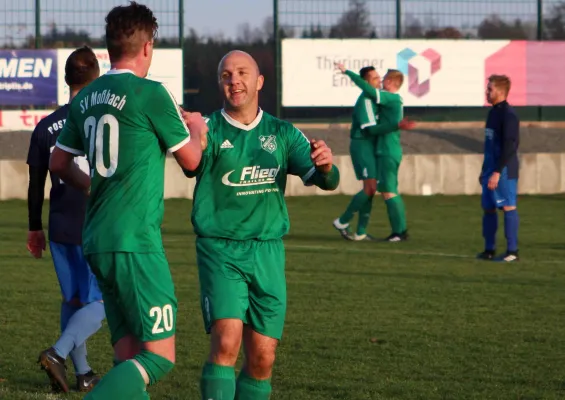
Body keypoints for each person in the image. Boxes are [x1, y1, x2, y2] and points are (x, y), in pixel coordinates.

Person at [49, 2, 207, 399]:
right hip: (135, 241)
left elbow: (58, 161)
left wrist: (91, 185)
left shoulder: (88, 96)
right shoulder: (151, 93)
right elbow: (192, 163)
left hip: (97, 238)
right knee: (160, 357)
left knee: (128, 355)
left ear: (109, 48)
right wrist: (199, 129)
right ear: (147, 46)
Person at [183, 50, 340, 400]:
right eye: (226, 75)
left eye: (241, 73)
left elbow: (326, 180)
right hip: (220, 248)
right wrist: (193, 136)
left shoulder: (282, 132)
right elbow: (190, 165)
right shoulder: (208, 129)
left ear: (259, 81)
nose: (234, 80)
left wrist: (327, 165)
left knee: (263, 358)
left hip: (268, 252)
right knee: (226, 341)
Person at [27, 46, 105, 394]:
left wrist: (34, 228)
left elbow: (34, 184)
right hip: (96, 223)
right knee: (104, 302)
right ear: (96, 79)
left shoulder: (45, 127)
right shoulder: (102, 122)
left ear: (66, 79)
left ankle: (82, 373)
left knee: (72, 301)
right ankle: (58, 354)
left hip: (59, 224)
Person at [336, 63, 414, 241]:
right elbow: (370, 129)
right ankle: (356, 228)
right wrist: (347, 72)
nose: (380, 81)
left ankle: (396, 232)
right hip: (365, 146)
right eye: (376, 78)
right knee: (374, 189)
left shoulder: (388, 98)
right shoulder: (367, 99)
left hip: (385, 150)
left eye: (382, 78)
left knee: (383, 190)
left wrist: (396, 125)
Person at [477, 74, 520, 262]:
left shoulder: (508, 115)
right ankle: (489, 249)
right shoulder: (492, 113)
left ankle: (512, 251)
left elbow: (510, 145)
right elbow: (490, 145)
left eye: (490, 89)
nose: (487, 92)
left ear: (501, 92)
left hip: (503, 170)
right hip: (490, 169)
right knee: (488, 208)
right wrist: (484, 170)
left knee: (508, 206)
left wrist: (496, 171)